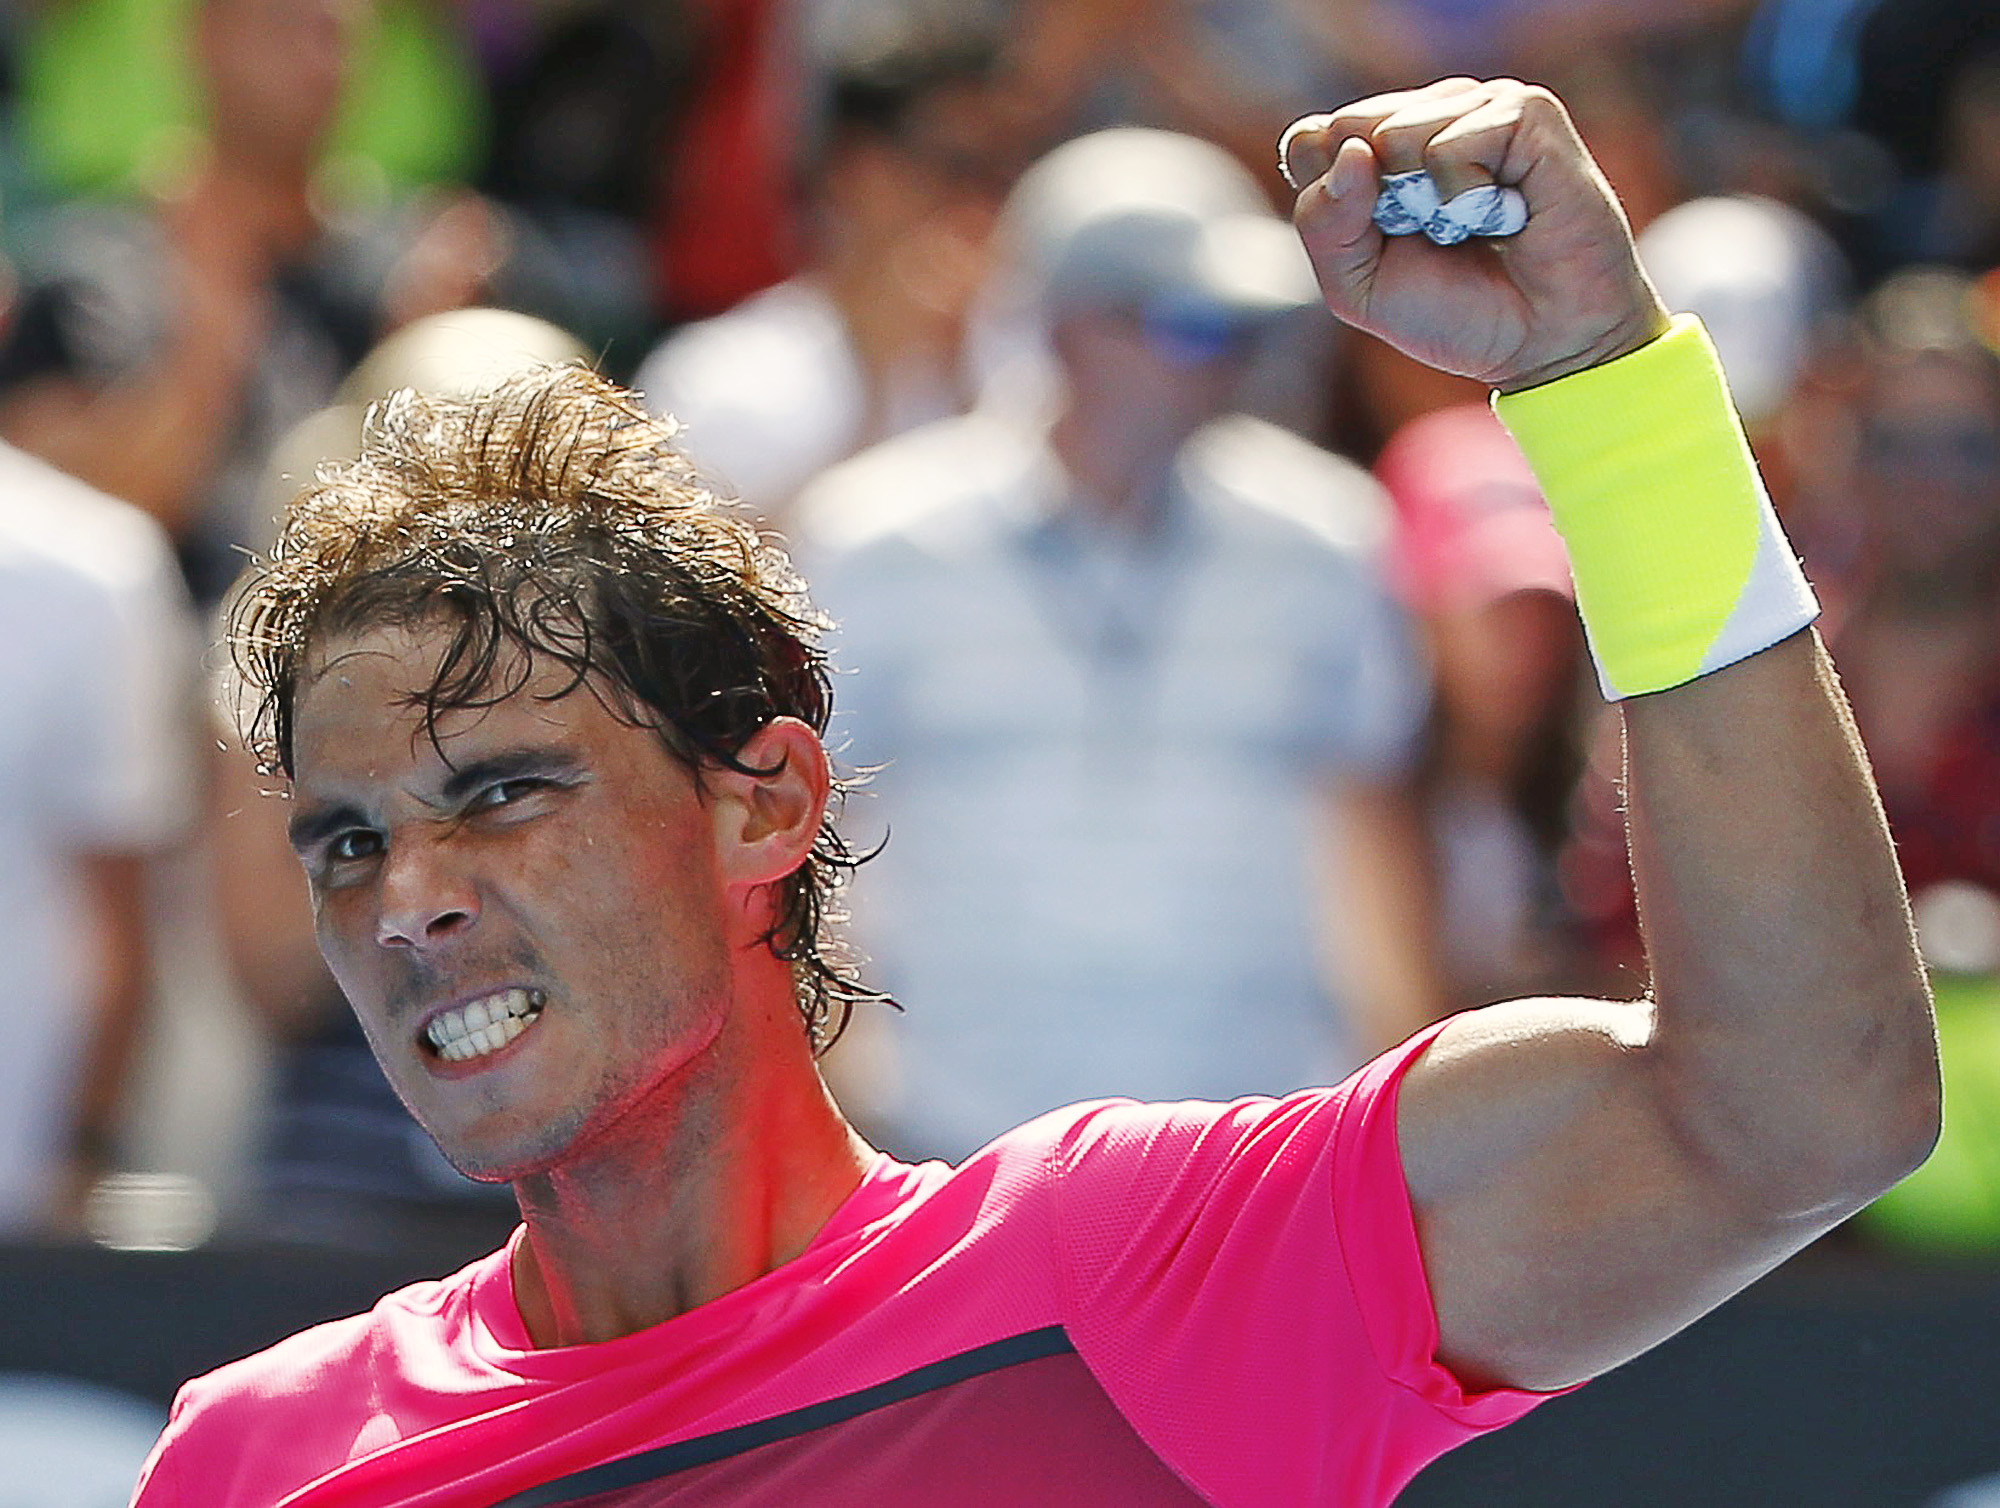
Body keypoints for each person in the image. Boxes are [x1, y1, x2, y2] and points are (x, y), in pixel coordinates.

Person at [130, 78, 1939, 1505]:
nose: (404, 898)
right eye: (345, 839)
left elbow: (1803, 1105)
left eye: (505, 790)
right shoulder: (250, 1455)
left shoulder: (1146, 1271)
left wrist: (1612, 397)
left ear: (766, 804)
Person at [795, 124, 1441, 1159]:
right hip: (952, 1138)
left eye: (1240, 329)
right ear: (1061, 325)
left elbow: (1364, 829)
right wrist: (839, 1093)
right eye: (1186, 326)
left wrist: (1401, 1125)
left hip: (1264, 1143)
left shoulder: (1330, 536)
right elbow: (805, 838)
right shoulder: (872, 537)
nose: (1220, 363)